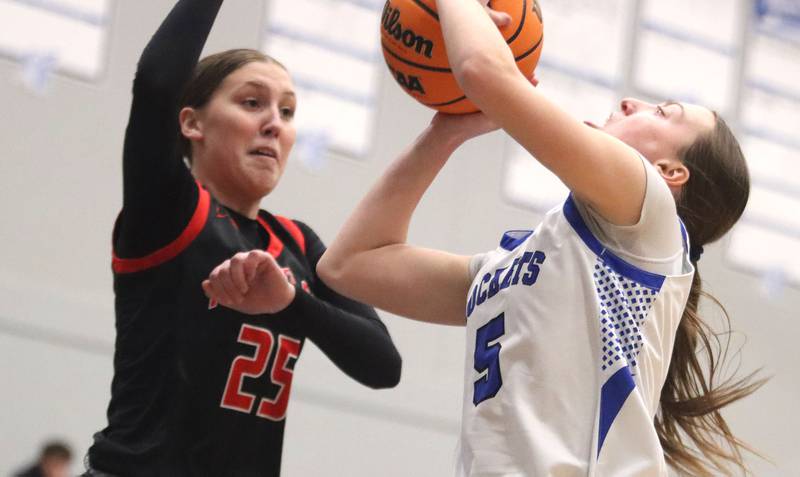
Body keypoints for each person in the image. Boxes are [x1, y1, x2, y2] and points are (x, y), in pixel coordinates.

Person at [308, 1, 761, 475]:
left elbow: (483, 71)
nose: (633, 102)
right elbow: (348, 266)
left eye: (663, 112)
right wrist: (443, 135)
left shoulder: (651, 210)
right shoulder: (515, 268)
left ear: (669, 173)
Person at [84, 1, 401, 475]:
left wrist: (291, 302)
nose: (274, 122)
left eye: (288, 111)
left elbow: (383, 366)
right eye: (252, 102)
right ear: (191, 123)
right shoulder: (171, 211)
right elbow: (155, 84)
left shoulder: (296, 242)